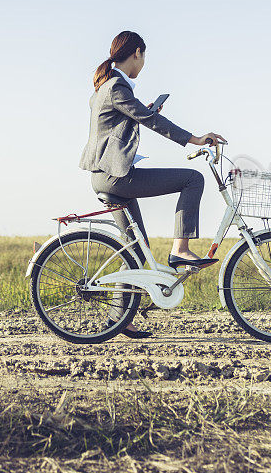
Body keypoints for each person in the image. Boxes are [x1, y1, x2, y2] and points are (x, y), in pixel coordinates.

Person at [78, 30, 226, 338]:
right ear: (136, 54)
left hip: (106, 175)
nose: (143, 63)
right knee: (192, 178)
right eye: (144, 57)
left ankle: (120, 320)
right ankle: (181, 250)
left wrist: (144, 111)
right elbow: (151, 122)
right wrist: (194, 139)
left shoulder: (107, 87)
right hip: (116, 176)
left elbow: (131, 120)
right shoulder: (117, 85)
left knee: (133, 250)